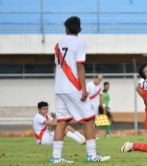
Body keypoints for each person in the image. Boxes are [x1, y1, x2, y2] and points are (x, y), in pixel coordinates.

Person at [52, 16, 110, 163]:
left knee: (62, 121)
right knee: (90, 119)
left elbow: (56, 65)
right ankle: (91, 154)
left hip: (59, 88)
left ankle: (56, 157)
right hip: (73, 87)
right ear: (80, 29)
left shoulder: (58, 44)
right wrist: (84, 89)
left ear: (66, 29)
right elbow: (80, 66)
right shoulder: (80, 43)